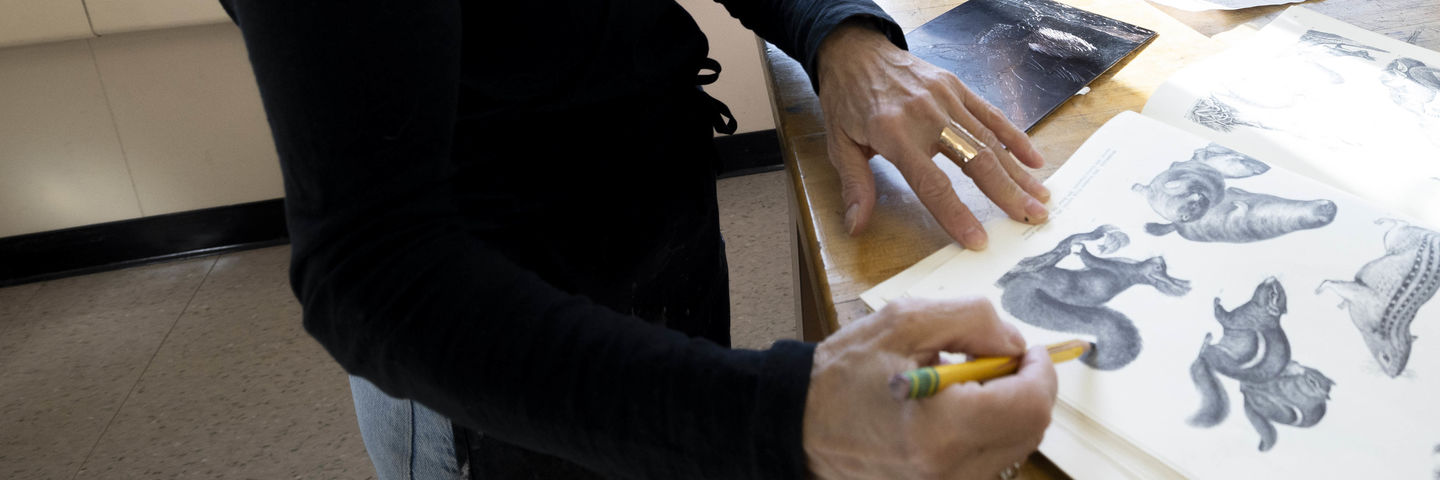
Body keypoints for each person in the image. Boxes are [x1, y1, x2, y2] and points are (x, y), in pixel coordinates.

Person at [218, 0, 1059, 477]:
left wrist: (838, 33)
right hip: (493, 337)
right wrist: (787, 413)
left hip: (661, 216)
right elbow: (373, 274)